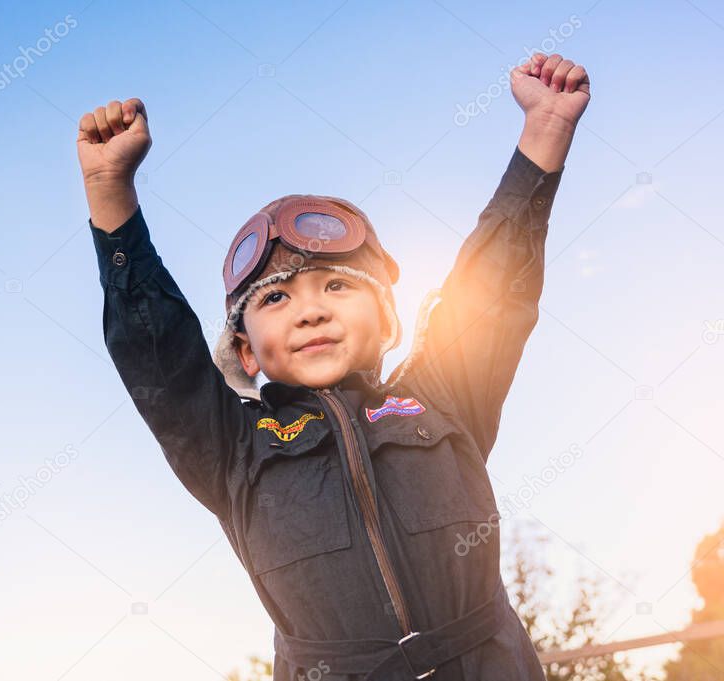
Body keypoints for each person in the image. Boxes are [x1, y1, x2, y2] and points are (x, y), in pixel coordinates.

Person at [76, 52, 590, 681]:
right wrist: (111, 194)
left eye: (337, 287)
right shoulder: (232, 448)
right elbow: (158, 355)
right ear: (243, 352)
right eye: (274, 298)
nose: (309, 311)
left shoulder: (444, 396)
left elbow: (494, 287)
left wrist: (545, 130)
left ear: (389, 321)